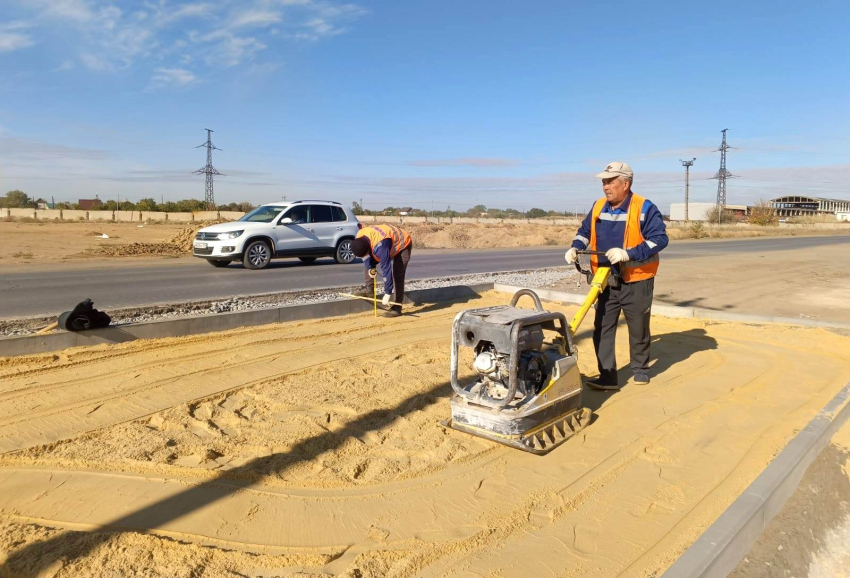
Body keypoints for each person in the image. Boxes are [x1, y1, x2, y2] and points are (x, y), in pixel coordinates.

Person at [565, 162, 668, 390]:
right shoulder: (598, 206)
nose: (605, 186)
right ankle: (608, 377)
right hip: (605, 280)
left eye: (610, 182)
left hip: (636, 279)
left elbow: (659, 239)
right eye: (604, 182)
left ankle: (640, 369)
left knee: (638, 328)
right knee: (602, 328)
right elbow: (584, 232)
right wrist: (575, 247)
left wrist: (628, 254)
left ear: (625, 183)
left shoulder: (644, 207)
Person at [351, 224, 412, 317]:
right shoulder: (359, 235)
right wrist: (370, 268)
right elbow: (366, 258)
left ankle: (397, 306)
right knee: (369, 263)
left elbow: (386, 269)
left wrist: (387, 292)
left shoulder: (381, 247)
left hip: (403, 243)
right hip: (385, 241)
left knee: (398, 273)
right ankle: (369, 290)